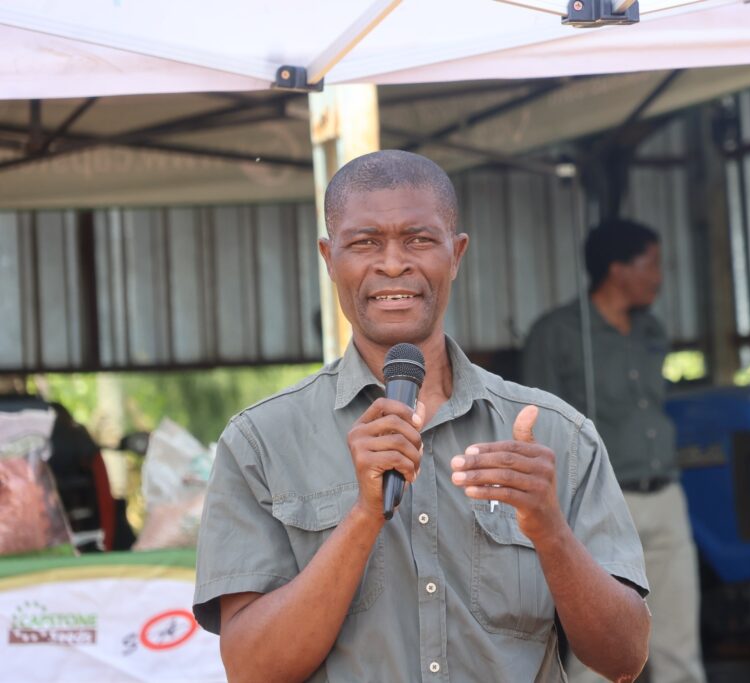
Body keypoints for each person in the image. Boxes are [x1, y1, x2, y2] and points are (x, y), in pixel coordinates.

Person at [192, 150, 651, 683]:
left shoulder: (557, 436)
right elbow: (251, 669)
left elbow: (624, 658)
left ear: (456, 254)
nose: (392, 263)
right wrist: (364, 516)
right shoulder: (261, 443)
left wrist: (549, 529)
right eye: (365, 242)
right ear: (329, 257)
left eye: (419, 239)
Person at [522, 220, 706, 683]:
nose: (660, 276)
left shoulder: (651, 330)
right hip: (598, 502)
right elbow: (535, 422)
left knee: (679, 647)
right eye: (653, 264)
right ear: (618, 269)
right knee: (596, 655)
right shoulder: (558, 332)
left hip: (664, 495)